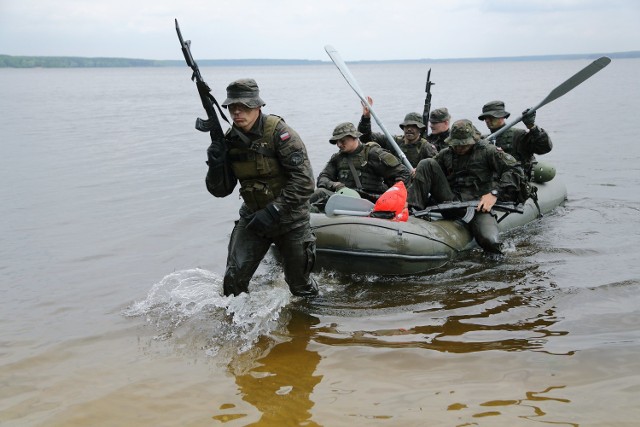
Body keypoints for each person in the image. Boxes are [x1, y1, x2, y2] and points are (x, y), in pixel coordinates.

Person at [204, 78, 318, 297]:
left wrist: (273, 211)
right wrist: (215, 164)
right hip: (254, 218)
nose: (237, 112)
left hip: (291, 220)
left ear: (258, 106)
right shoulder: (230, 140)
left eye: (244, 106)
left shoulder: (280, 134)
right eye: (232, 107)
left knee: (300, 287)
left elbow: (304, 182)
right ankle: (239, 327)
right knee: (232, 282)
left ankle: (309, 330)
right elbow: (220, 190)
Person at [407, 119, 526, 254]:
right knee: (425, 163)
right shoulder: (447, 153)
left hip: (479, 206)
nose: (459, 148)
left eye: (463, 145)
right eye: (456, 145)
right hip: (451, 201)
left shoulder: (488, 151)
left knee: (490, 241)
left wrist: (494, 193)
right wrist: (418, 172)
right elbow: (430, 168)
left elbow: (515, 170)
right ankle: (413, 212)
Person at [311, 122, 411, 207]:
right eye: (337, 142)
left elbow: (403, 173)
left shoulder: (373, 153)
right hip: (346, 197)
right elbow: (323, 178)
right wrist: (335, 185)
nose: (339, 145)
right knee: (320, 193)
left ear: (354, 137)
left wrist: (394, 196)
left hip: (372, 200)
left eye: (342, 141)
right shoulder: (337, 158)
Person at [478, 100, 552, 179]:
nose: (487, 120)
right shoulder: (484, 140)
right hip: (494, 183)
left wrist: (532, 127)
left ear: (501, 116)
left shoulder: (519, 136)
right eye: (485, 118)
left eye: (491, 117)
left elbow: (544, 148)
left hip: (517, 181)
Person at [357, 97, 437, 168]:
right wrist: (366, 118)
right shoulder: (393, 142)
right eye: (407, 126)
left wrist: (421, 170)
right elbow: (365, 137)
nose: (409, 129)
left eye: (414, 126)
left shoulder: (427, 148)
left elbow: (436, 167)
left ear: (420, 129)